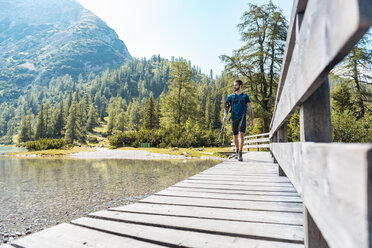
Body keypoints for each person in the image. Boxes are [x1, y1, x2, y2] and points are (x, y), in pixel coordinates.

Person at [223, 80, 254, 161]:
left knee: (241, 133)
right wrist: (225, 116)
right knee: (235, 135)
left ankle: (240, 153)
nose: (234, 87)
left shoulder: (245, 96)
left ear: (240, 86)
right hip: (233, 117)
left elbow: (250, 108)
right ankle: (237, 151)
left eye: (236, 85)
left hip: (242, 117)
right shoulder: (231, 97)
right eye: (234, 85)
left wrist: (251, 119)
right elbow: (226, 108)